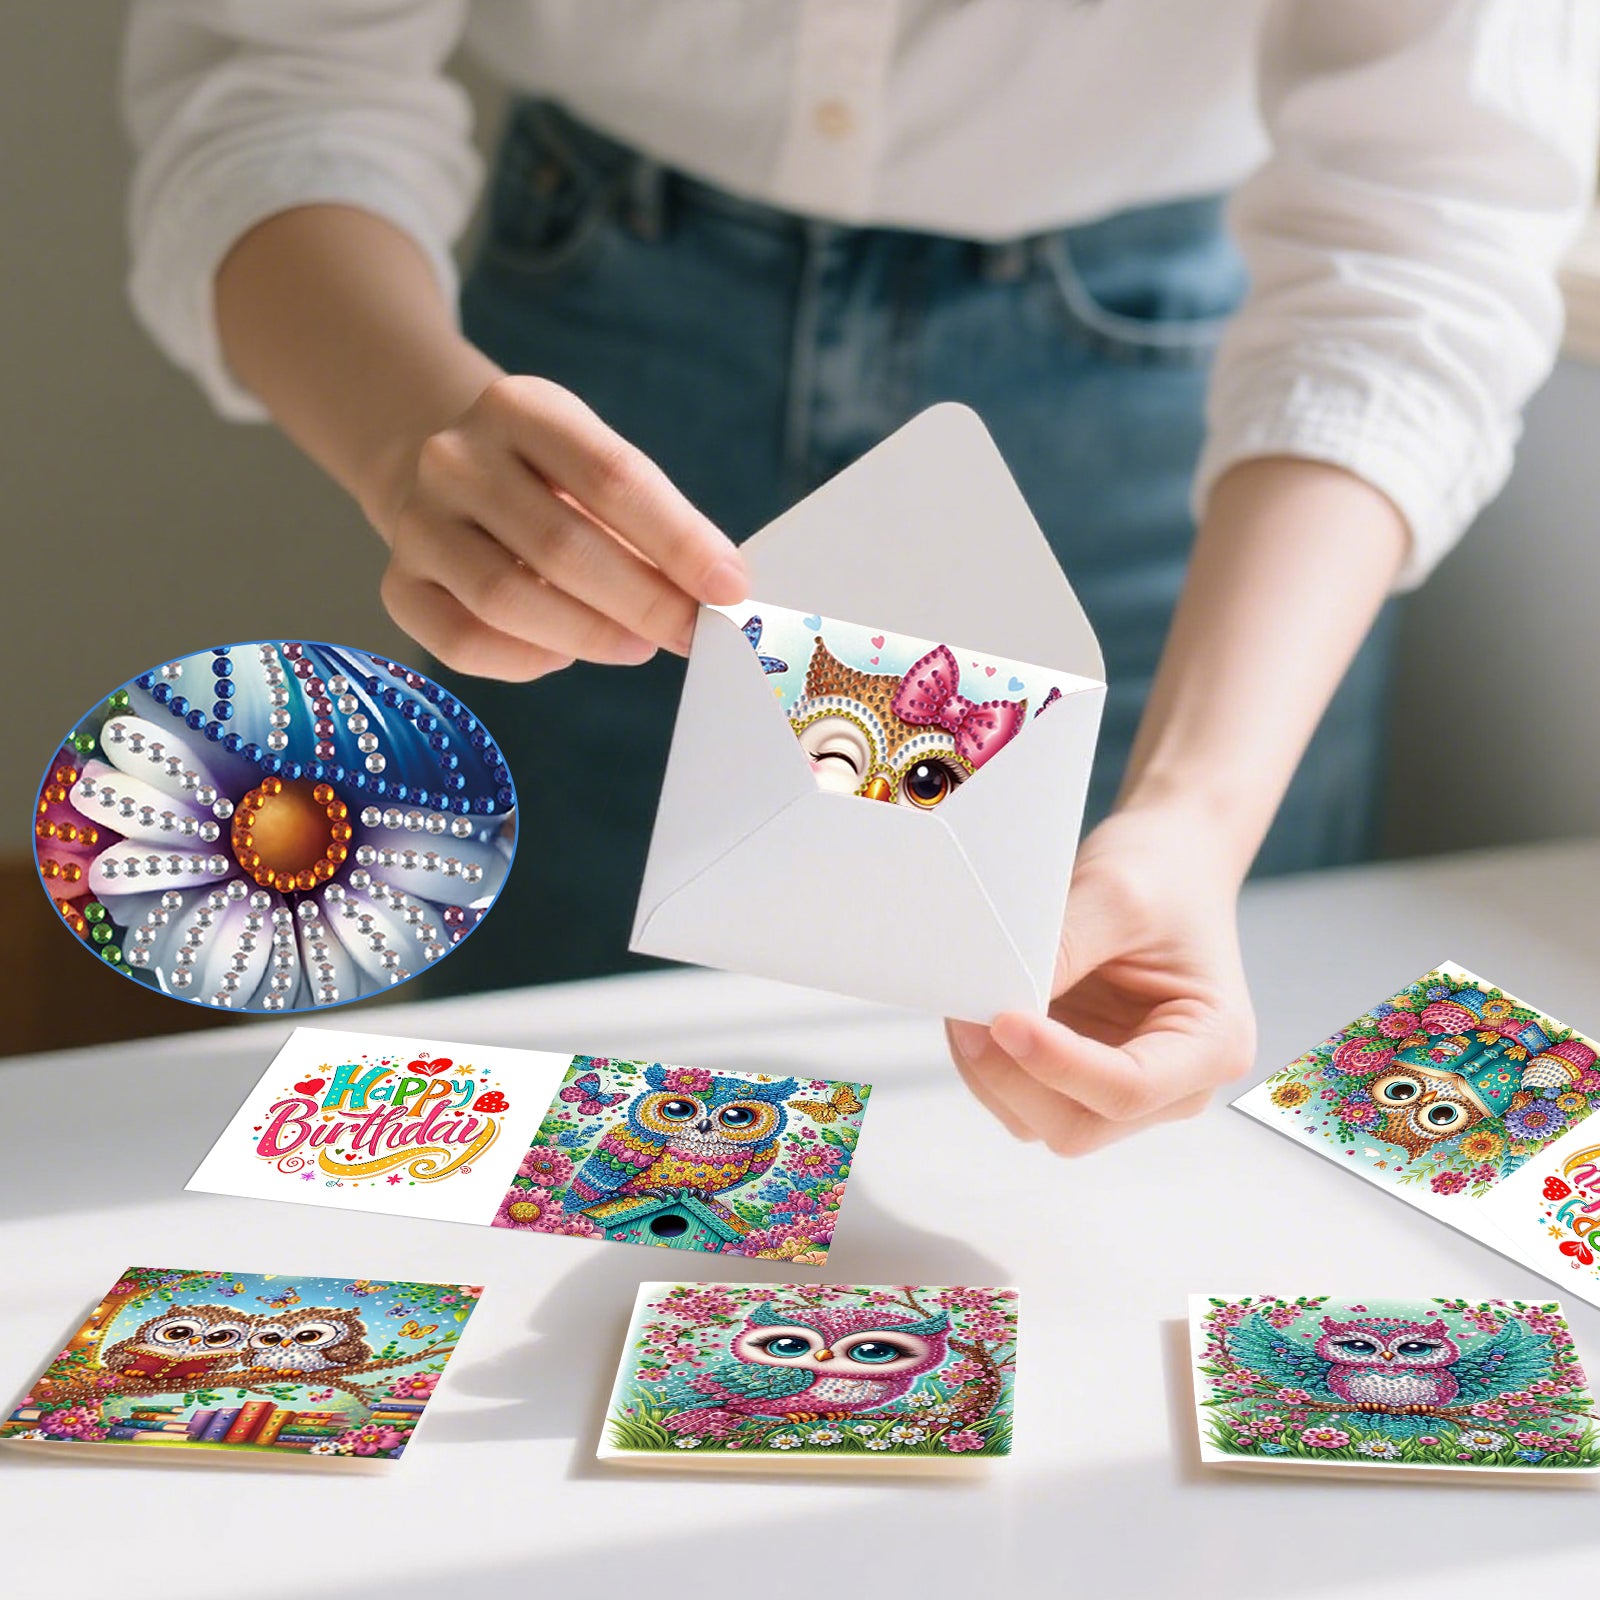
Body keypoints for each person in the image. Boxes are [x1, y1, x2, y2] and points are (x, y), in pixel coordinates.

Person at [123, 3, 1599, 1155]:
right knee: (551, 1134)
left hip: (1182, 426)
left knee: (1141, 1128)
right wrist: (409, 436)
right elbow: (272, 77)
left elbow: (1434, 210)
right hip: (596, 358)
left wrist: (1198, 819)